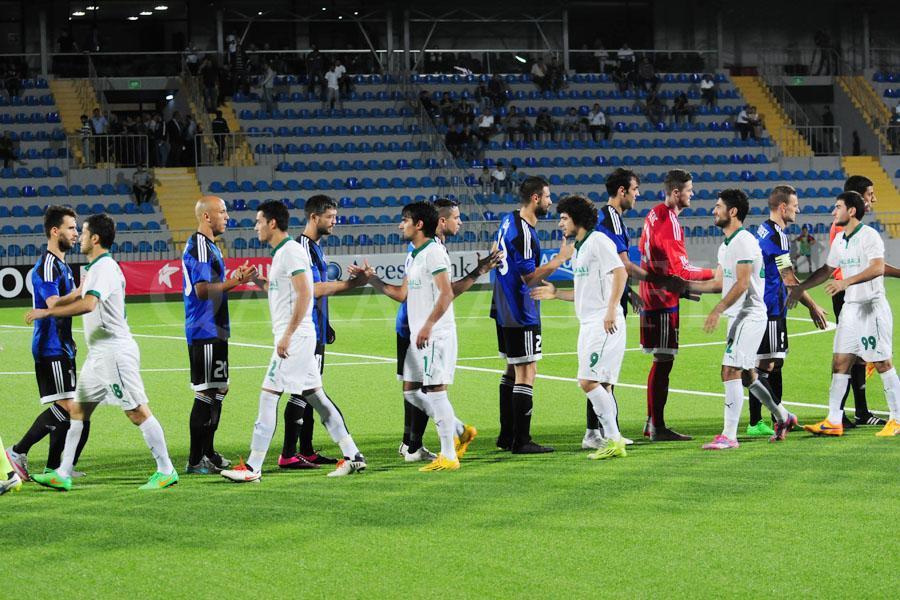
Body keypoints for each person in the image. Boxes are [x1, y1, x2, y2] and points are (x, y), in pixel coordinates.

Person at [28, 214, 178, 491]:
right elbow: (80, 295)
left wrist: (48, 312)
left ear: (95, 238)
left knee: (136, 411)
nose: (80, 237)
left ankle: (166, 469)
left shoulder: (105, 267)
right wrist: (53, 305)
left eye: (83, 233)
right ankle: (63, 472)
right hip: (98, 354)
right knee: (78, 411)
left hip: (114, 353)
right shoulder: (96, 267)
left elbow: (88, 304)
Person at [220, 201, 366, 482]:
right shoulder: (282, 254)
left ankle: (253, 467)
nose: (256, 227)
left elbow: (305, 294)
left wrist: (287, 335)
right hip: (298, 336)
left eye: (259, 221)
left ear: (272, 223)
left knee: (268, 396)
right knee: (317, 398)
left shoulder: (291, 252)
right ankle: (353, 454)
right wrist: (257, 281)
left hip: (295, 338)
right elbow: (282, 291)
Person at [355, 199, 499, 465]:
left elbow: (446, 293)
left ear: (419, 224)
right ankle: (459, 431)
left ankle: (447, 455)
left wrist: (429, 325)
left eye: (404, 221)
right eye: (456, 217)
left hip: (434, 333)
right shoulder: (416, 254)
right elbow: (403, 294)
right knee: (412, 392)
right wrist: (370, 279)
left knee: (435, 390)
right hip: (416, 333)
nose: (400, 226)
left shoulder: (434, 252)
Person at [685, 190, 798, 450]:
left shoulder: (744, 241)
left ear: (733, 211)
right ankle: (783, 417)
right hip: (738, 316)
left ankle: (729, 435)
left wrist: (717, 309)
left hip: (750, 316)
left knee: (730, 370)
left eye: (718, 206)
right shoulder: (726, 245)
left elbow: (743, 283)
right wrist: (685, 287)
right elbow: (718, 283)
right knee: (747, 375)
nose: (714, 211)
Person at [787, 192, 900, 437]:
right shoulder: (840, 239)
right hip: (850, 309)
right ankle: (833, 420)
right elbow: (827, 270)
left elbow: (877, 267)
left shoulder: (869, 235)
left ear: (851, 211)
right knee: (840, 363)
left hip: (871, 307)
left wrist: (845, 282)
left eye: (837, 207)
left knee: (882, 362)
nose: (833, 211)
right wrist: (801, 288)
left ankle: (897, 419)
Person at [530, 195, 629, 460]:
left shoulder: (598, 241)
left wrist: (611, 309)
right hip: (588, 324)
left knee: (588, 381)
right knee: (602, 385)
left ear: (577, 219)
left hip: (603, 323)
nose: (560, 223)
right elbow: (583, 292)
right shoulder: (580, 248)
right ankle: (610, 438)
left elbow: (621, 272)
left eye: (564, 218)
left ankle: (614, 439)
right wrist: (556, 294)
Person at [279, 195, 368, 469]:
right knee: (302, 391)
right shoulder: (302, 247)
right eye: (330, 217)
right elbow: (313, 289)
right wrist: (352, 284)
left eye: (335, 216)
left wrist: (325, 323)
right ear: (314, 217)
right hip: (304, 331)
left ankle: (305, 450)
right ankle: (289, 453)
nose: (334, 222)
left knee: (309, 392)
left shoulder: (315, 247)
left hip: (315, 329)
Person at [5, 207, 91, 483]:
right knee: (69, 407)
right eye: (71, 228)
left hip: (62, 345)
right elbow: (53, 304)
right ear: (55, 231)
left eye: (76, 228)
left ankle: (55, 468)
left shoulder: (62, 265)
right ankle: (17, 451)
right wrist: (80, 292)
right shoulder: (47, 265)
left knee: (73, 408)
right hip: (49, 347)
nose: (76, 233)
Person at [491, 176, 575, 454]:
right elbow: (529, 278)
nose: (551, 202)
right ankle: (521, 440)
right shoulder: (523, 232)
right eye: (548, 197)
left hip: (502, 305)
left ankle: (507, 436)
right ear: (536, 198)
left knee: (512, 369)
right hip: (520, 310)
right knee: (527, 371)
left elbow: (495, 252)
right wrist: (560, 258)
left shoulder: (508, 220)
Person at [745, 186, 828, 437]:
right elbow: (789, 278)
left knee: (775, 361)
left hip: (768, 304)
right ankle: (767, 420)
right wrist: (813, 306)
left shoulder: (763, 229)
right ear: (783, 207)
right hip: (771, 306)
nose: (798, 210)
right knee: (765, 365)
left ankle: (773, 418)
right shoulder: (778, 237)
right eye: (795, 205)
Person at [639, 169, 715, 441]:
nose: (692, 194)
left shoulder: (654, 213)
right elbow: (681, 269)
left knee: (662, 359)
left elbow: (650, 257)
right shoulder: (669, 221)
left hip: (655, 294)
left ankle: (652, 423)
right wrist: (715, 273)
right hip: (661, 299)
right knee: (664, 361)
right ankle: (657, 426)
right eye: (689, 190)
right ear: (675, 192)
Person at [182, 197, 254, 475]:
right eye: (222, 211)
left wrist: (233, 278)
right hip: (204, 329)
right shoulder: (200, 245)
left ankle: (207, 452)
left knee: (219, 389)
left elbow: (212, 285)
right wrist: (237, 281)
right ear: (206, 217)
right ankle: (195, 459)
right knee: (206, 391)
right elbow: (202, 290)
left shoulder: (210, 245)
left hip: (216, 327)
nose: (227, 216)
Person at [826, 176, 900, 428]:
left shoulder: (859, 230)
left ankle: (856, 412)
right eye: (870, 193)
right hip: (848, 294)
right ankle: (847, 414)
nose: (874, 198)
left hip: (853, 293)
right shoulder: (844, 228)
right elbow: (874, 266)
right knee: (853, 357)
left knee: (857, 357)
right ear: (857, 199)